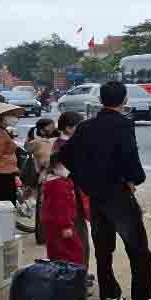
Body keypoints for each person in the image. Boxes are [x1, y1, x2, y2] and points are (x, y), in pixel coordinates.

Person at [58, 81, 151, 300]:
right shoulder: (123, 125)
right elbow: (129, 157)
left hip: (96, 194)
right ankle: (142, 297)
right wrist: (134, 180)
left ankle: (110, 297)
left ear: (100, 100)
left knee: (103, 248)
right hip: (118, 193)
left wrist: (85, 181)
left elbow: (66, 155)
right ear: (124, 100)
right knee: (137, 247)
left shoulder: (86, 127)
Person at [52, 111, 92, 273]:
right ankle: (76, 276)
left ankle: (77, 274)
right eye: (78, 127)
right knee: (76, 240)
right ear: (68, 128)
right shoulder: (62, 146)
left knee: (79, 238)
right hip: (69, 199)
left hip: (75, 197)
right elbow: (60, 172)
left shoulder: (64, 144)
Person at [40, 147, 84, 265]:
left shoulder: (52, 181)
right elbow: (61, 208)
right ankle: (70, 278)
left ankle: (59, 277)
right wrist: (66, 226)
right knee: (72, 253)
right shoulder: (59, 185)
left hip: (52, 223)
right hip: (60, 224)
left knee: (56, 253)